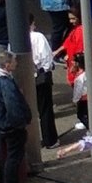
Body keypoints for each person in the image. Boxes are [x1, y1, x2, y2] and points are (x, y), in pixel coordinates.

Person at [0, 51, 31, 183]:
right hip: (11, 126)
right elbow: (13, 106)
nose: (16, 63)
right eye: (14, 61)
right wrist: (22, 122)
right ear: (7, 65)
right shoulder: (6, 83)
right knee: (14, 157)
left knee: (4, 157)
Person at [28, 19, 55, 148]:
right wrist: (46, 68)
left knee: (30, 110)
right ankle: (50, 140)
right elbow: (46, 57)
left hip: (26, 77)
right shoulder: (38, 36)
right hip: (40, 75)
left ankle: (31, 141)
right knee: (45, 109)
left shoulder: (14, 38)